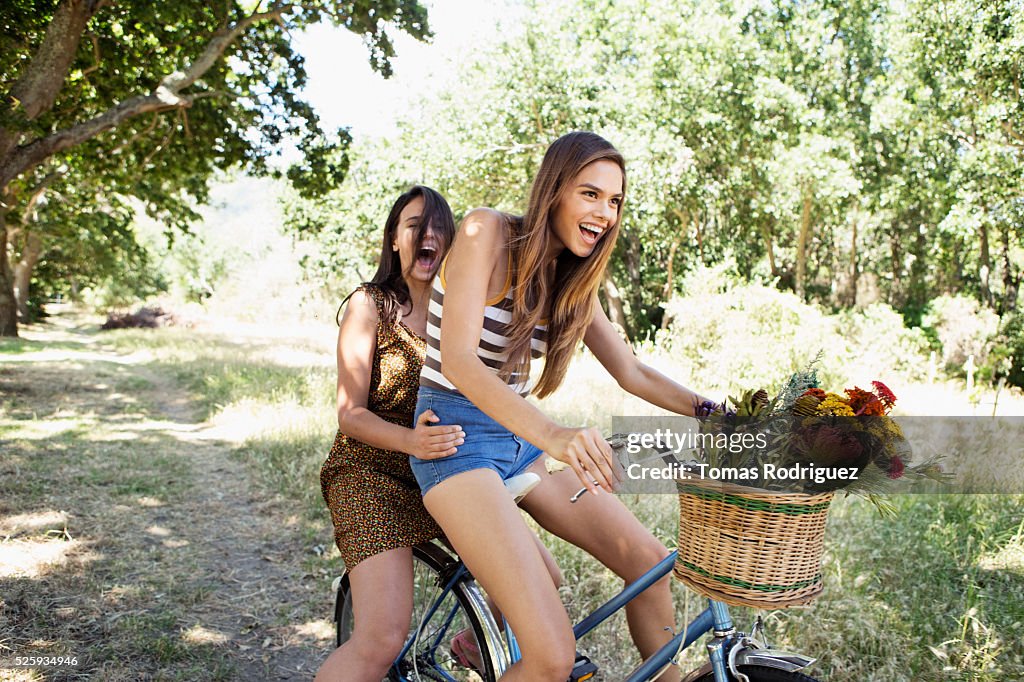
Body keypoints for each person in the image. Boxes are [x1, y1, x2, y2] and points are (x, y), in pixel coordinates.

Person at [413, 131, 715, 681]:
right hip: (453, 441)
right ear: (554, 191)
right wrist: (555, 435)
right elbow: (457, 360)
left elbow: (632, 371)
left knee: (649, 563)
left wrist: (715, 412)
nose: (605, 212)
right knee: (550, 659)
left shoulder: (572, 281)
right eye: (590, 194)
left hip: (519, 445)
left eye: (615, 201)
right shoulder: (486, 231)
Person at [315, 186, 560, 681]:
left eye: (438, 226)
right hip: (373, 477)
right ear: (394, 240)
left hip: (446, 470)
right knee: (381, 638)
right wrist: (410, 441)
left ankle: (472, 645)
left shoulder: (463, 307)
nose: (427, 234)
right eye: (413, 225)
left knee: (547, 581)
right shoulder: (371, 306)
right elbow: (349, 414)